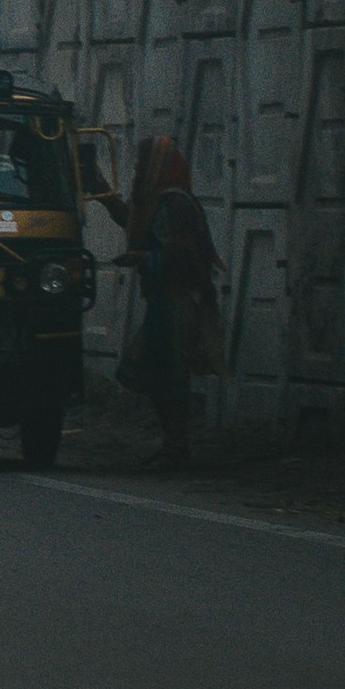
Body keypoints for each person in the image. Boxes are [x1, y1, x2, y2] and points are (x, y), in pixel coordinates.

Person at [120, 132, 223, 468]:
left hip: (178, 301)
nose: (137, 169)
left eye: (142, 163)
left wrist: (141, 259)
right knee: (152, 371)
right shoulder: (158, 202)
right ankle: (173, 443)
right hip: (163, 300)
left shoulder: (175, 203)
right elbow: (140, 227)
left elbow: (180, 256)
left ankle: (178, 447)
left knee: (170, 374)